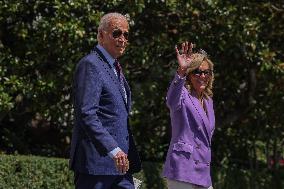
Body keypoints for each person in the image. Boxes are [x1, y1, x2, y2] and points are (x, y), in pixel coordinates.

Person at [69, 12, 141, 189]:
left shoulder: (115, 68)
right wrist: (113, 150)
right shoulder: (91, 64)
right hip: (96, 166)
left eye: (126, 34)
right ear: (101, 35)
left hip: (121, 169)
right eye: (116, 33)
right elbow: (87, 113)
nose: (123, 38)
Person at [162, 42, 215, 189]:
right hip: (183, 167)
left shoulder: (208, 101)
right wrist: (181, 71)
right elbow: (171, 101)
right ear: (190, 75)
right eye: (197, 71)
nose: (202, 76)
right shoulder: (183, 94)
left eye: (207, 72)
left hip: (203, 172)